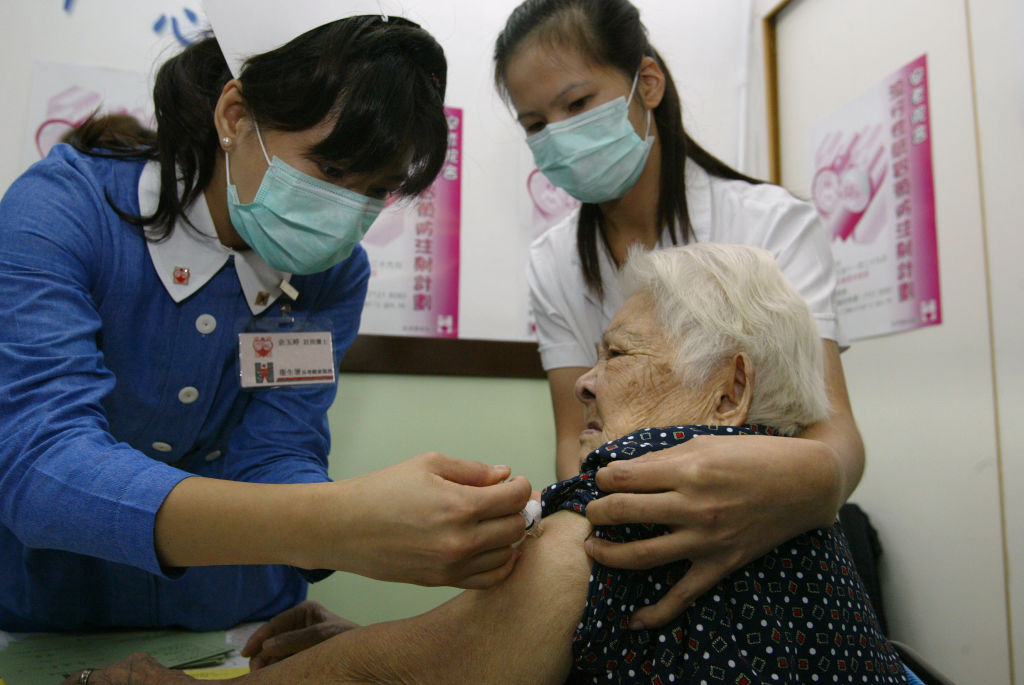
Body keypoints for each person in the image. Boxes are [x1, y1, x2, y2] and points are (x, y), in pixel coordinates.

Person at [65, 244, 920, 684]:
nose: (585, 381)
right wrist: (407, 640)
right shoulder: (792, 513)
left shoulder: (641, 501)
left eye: (618, 354)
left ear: (730, 390)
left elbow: (399, 678)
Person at [0, 1, 531, 633]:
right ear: (235, 115)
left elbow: (276, 449)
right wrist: (339, 524)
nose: (347, 210)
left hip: (235, 621)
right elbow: (40, 464)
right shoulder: (64, 212)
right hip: (53, 614)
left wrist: (369, 517)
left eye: (373, 190)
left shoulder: (333, 276)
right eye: (330, 169)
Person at [492, 0, 866, 629]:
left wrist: (812, 487)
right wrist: (609, 524)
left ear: (648, 84)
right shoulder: (554, 262)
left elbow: (834, 435)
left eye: (577, 104)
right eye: (535, 122)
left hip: (778, 540)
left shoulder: (771, 224)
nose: (556, 134)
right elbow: (573, 438)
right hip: (629, 541)